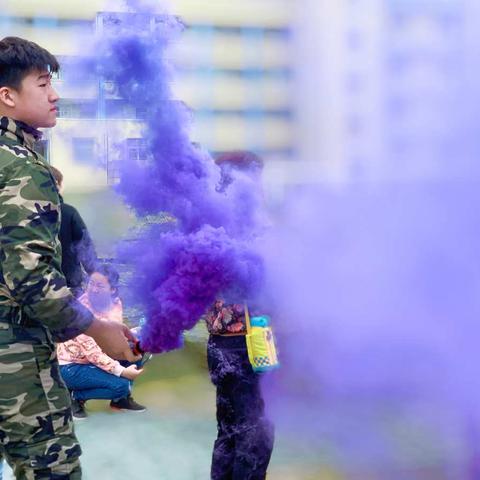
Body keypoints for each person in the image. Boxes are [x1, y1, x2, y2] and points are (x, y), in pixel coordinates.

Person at [0, 36, 139, 479]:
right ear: (7, 96)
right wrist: (98, 330)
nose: (55, 95)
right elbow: (31, 282)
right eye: (42, 85)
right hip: (14, 360)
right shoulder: (20, 166)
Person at [206, 151, 274, 480]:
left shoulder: (205, 225)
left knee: (230, 433)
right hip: (245, 343)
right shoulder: (244, 229)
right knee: (254, 436)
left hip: (224, 344)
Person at [57, 265, 146, 419]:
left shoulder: (116, 303)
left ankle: (120, 401)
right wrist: (122, 372)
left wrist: (135, 335)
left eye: (100, 285)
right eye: (91, 283)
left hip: (97, 356)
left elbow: (114, 335)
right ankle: (75, 397)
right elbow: (93, 354)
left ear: (112, 290)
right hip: (72, 366)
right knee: (121, 386)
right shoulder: (81, 311)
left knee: (138, 349)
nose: (93, 289)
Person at [49, 165, 97, 297]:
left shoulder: (24, 213)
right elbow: (85, 247)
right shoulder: (68, 212)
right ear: (57, 184)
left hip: (34, 291)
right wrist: (96, 275)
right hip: (68, 287)